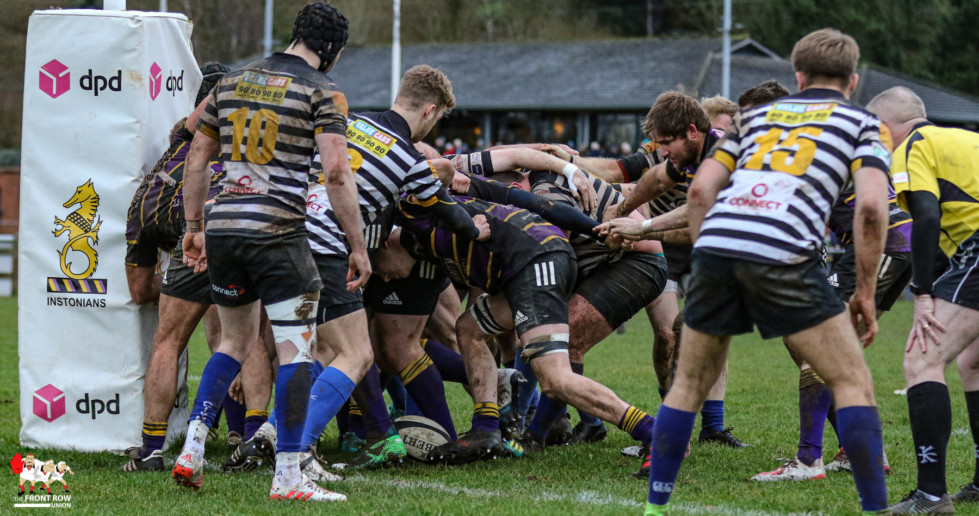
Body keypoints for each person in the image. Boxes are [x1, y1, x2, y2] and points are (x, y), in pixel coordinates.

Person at [639, 28, 892, 515]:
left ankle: (654, 509)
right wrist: (864, 290)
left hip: (718, 249)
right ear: (853, 81)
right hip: (786, 251)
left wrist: (710, 260)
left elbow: (700, 193)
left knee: (688, 385)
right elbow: (871, 209)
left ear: (799, 77)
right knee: (852, 382)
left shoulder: (751, 119)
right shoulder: (863, 123)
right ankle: (875, 510)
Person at [172, 3, 362, 503]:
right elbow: (337, 173)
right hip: (278, 231)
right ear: (332, 49)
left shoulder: (230, 81)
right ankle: (289, 476)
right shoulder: (324, 91)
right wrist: (357, 243)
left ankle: (192, 447)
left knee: (233, 343)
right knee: (296, 349)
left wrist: (194, 228)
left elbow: (197, 158)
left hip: (224, 227)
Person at [298, 64, 487, 475]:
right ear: (430, 111)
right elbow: (446, 210)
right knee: (351, 351)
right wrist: (477, 229)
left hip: (293, 236)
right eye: (437, 119)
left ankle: (374, 435)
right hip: (329, 248)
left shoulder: (349, 123)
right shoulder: (408, 158)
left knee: (329, 347)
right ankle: (298, 448)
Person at [374, 195, 657, 465]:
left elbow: (511, 195)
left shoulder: (420, 216)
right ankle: (485, 429)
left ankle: (653, 432)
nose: (384, 277)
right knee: (469, 328)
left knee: (555, 379)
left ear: (386, 243)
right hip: (530, 263)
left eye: (377, 266)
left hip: (536, 262)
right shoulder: (421, 237)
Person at [866, 86, 979, 513]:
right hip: (970, 250)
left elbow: (926, 217)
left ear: (885, 128)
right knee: (973, 362)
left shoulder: (911, 146)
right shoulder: (966, 138)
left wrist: (924, 293)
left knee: (921, 359)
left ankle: (931, 495)